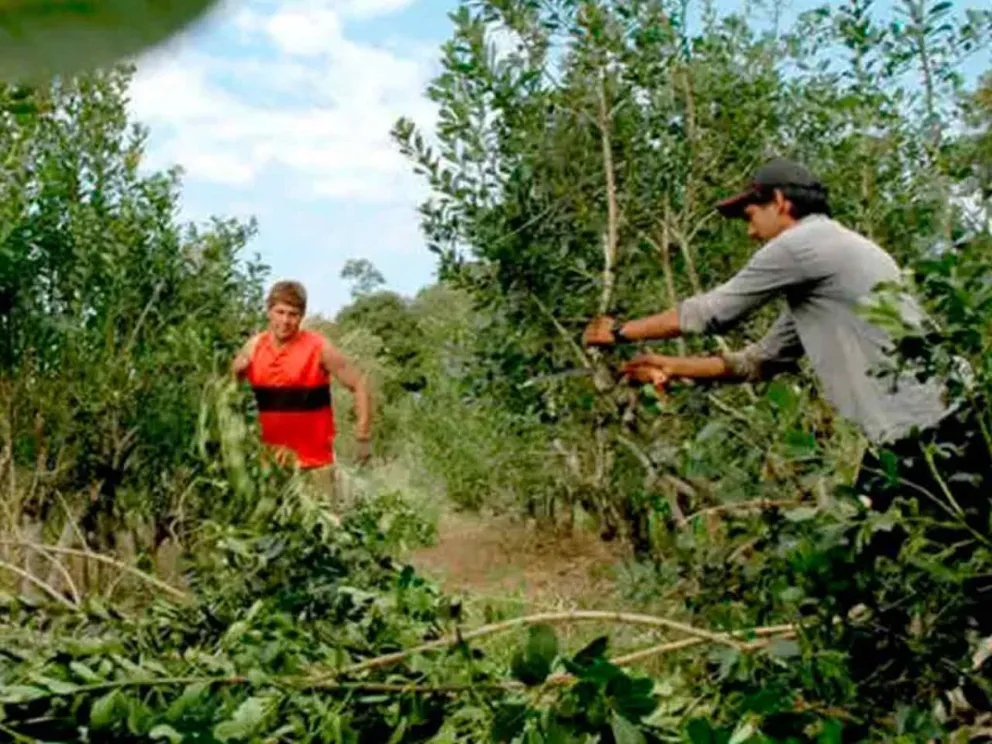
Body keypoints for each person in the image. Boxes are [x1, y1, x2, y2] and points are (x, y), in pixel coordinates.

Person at [582, 157, 988, 517]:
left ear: (780, 202)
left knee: (897, 570)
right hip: (941, 422)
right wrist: (671, 365)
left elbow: (712, 314)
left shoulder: (803, 244)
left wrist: (619, 332)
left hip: (931, 432)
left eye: (751, 215)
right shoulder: (833, 263)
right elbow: (763, 360)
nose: (751, 232)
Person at [233, 280, 372, 510]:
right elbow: (226, 389)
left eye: (293, 314)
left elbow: (360, 383)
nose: (285, 321)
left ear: (302, 316)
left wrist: (363, 434)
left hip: (316, 466)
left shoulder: (319, 348)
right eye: (280, 312)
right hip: (270, 468)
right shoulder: (253, 348)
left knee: (320, 538)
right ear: (269, 311)